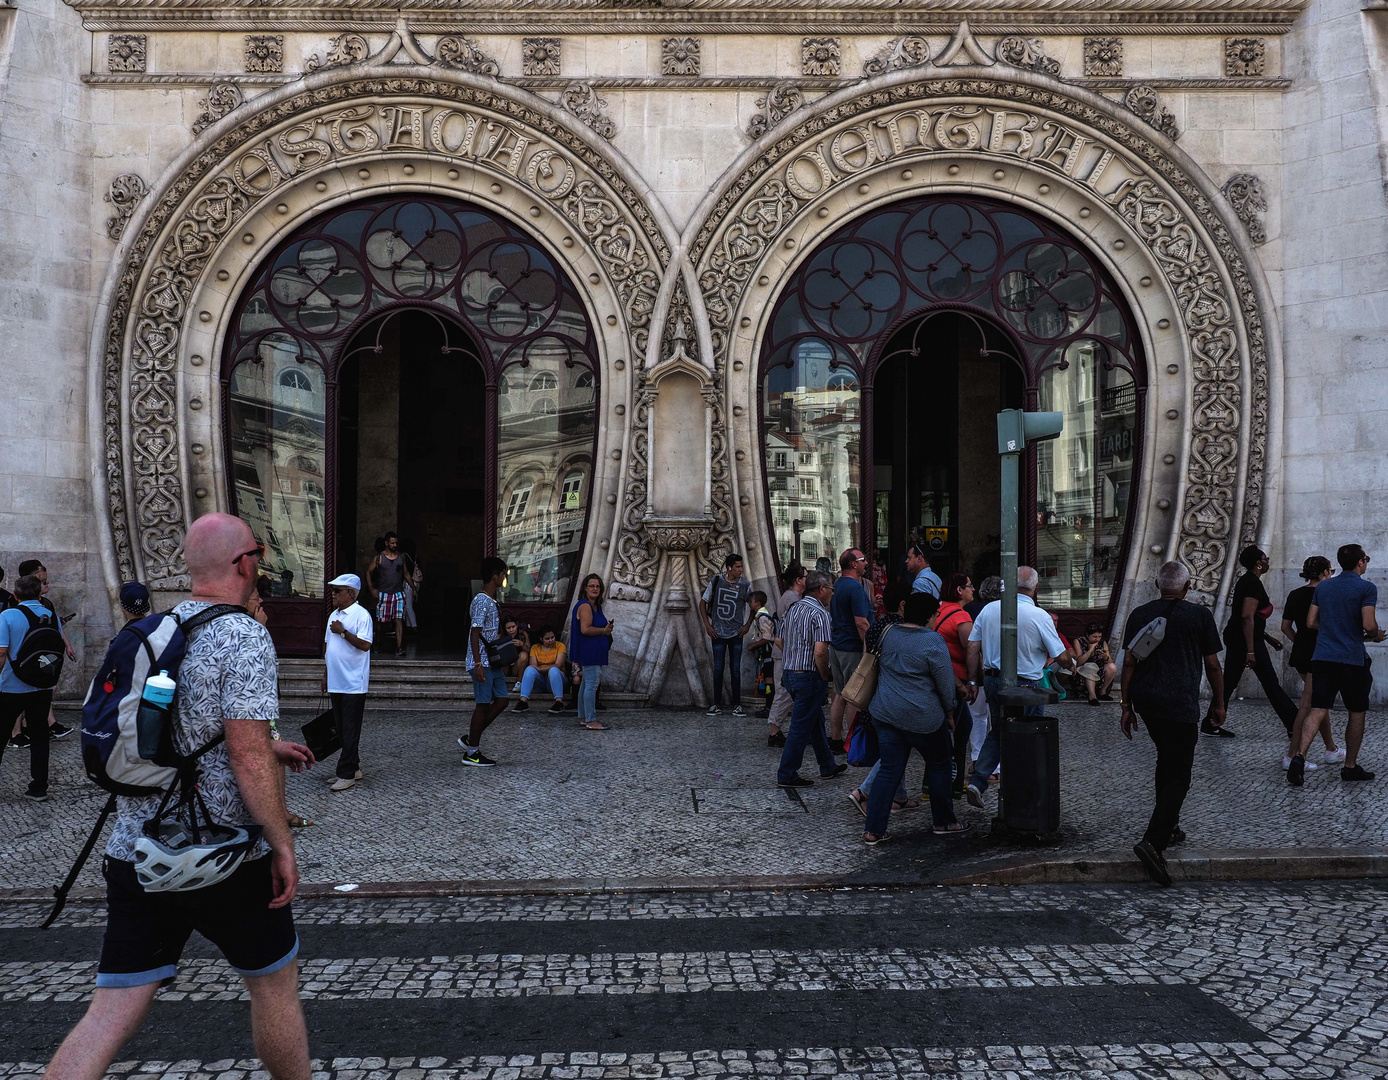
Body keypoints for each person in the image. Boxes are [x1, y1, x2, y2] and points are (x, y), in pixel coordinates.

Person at [44, 513, 312, 1080]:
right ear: (245, 563)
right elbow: (242, 752)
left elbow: (188, 735)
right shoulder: (243, 634)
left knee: (108, 1013)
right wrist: (280, 840)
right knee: (274, 988)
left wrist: (271, 748)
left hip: (137, 851)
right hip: (222, 856)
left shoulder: (160, 630)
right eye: (258, 552)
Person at [1120, 561, 1226, 887]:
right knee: (1179, 775)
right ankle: (1153, 841)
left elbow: (1128, 662)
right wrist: (1219, 703)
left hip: (1147, 703)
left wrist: (1126, 707)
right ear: (1187, 586)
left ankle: (1172, 825)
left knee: (1167, 760)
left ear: (1156, 583)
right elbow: (1213, 665)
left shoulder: (1139, 614)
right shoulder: (1199, 616)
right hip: (1180, 705)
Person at [862, 592, 967, 844]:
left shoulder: (889, 633)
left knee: (889, 769)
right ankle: (944, 821)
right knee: (940, 764)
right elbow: (944, 685)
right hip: (923, 717)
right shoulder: (932, 641)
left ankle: (873, 830)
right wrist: (950, 712)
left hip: (886, 712)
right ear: (930, 616)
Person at [964, 566, 1070, 810]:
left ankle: (978, 781)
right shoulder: (1039, 615)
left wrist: (972, 682)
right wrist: (1071, 665)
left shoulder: (989, 609)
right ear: (1035, 588)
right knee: (1030, 734)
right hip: (1027, 685)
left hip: (992, 680)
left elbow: (972, 647)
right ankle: (1026, 788)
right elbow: (1060, 655)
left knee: (999, 730)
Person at [1288, 543, 1386, 784]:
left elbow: (1311, 622)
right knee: (1356, 711)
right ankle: (1350, 766)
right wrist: (1376, 635)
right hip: (1351, 658)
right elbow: (1369, 624)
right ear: (1361, 562)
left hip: (1323, 656)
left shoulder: (1325, 587)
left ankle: (1299, 756)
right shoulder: (1366, 588)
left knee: (1318, 708)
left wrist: (1333, 628)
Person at [1206, 545, 1297, 739]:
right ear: (1258, 563)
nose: (1267, 561)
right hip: (1246, 642)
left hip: (1243, 638)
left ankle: (1210, 722)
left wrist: (1268, 639)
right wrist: (1250, 650)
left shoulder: (1248, 581)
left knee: (1229, 682)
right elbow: (1247, 617)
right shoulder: (1252, 584)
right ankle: (1294, 723)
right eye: (1265, 558)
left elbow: (1249, 618)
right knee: (1270, 683)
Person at [775, 570, 848, 788]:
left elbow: (778, 639)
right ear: (823, 589)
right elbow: (820, 651)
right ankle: (787, 773)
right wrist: (824, 676)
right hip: (809, 675)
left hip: (789, 672)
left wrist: (793, 655)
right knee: (799, 727)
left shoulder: (793, 609)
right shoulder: (821, 614)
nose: (833, 594)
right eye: (832, 590)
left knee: (814, 720)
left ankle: (827, 765)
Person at [1280, 555, 1343, 771]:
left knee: (1318, 701)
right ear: (1325, 572)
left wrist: (1301, 642)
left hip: (1302, 654)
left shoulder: (1295, 594)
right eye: (1331, 571)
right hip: (1320, 654)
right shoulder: (1325, 593)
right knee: (1308, 706)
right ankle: (1292, 756)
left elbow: (1285, 627)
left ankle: (1331, 749)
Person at [0, 575, 59, 801]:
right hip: (41, 687)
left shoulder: (8, 615)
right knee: (39, 736)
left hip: (10, 687)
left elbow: (2, 653)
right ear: (38, 594)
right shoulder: (51, 615)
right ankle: (39, 788)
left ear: (15, 595)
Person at [321, 573, 372, 792]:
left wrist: (343, 632)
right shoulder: (333, 615)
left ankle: (346, 773)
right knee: (341, 728)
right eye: (333, 590)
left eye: (337, 591)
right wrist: (325, 674)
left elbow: (365, 645)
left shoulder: (362, 615)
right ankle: (354, 767)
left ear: (350, 593)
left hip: (353, 681)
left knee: (350, 728)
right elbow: (327, 646)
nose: (333, 594)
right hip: (336, 679)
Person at [460, 556, 514, 766]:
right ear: (495, 576)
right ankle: (472, 752)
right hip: (483, 661)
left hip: (493, 661)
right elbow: (475, 633)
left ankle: (471, 738)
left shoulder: (490, 601)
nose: (503, 579)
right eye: (502, 575)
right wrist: (477, 663)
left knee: (502, 700)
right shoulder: (482, 601)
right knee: (482, 705)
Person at [934, 574, 978, 798]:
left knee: (963, 726)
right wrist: (972, 681)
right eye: (970, 586)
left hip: (940, 677)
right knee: (956, 732)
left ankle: (954, 781)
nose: (973, 589)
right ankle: (952, 783)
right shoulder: (961, 616)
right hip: (955, 680)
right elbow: (971, 650)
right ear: (960, 590)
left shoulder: (939, 610)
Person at [827, 549, 873, 750]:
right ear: (854, 564)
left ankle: (836, 739)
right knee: (854, 696)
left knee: (839, 693)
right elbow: (861, 623)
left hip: (837, 646)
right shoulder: (855, 588)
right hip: (853, 648)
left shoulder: (837, 585)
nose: (866, 563)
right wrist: (871, 647)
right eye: (863, 560)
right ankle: (852, 743)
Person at [700, 552, 753, 716]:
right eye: (737, 567)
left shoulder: (745, 585)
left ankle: (737, 705)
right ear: (729, 568)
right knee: (718, 668)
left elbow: (754, 605)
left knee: (735, 669)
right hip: (718, 633)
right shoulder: (716, 581)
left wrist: (748, 624)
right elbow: (703, 603)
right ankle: (716, 704)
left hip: (736, 633)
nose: (740, 570)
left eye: (741, 566)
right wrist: (708, 625)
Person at [766, 562, 806, 748]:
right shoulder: (791, 598)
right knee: (783, 693)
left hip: (787, 651)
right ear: (798, 580)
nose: (808, 579)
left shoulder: (793, 596)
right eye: (805, 577)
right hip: (785, 652)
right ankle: (774, 732)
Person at [963, 576, 1001, 768]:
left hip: (978, 671)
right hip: (1002, 671)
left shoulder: (969, 611)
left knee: (977, 717)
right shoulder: (1009, 610)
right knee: (998, 720)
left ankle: (977, 758)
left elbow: (971, 647)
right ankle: (996, 765)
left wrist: (971, 680)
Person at [571, 573, 612, 731]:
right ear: (585, 588)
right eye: (591, 586)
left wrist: (606, 629)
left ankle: (583, 716)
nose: (595, 589)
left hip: (593, 650)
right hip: (590, 651)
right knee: (592, 685)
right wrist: (603, 630)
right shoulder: (585, 606)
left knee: (586, 685)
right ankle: (591, 720)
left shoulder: (596, 606)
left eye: (597, 586)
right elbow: (585, 629)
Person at [367, 532, 411, 657]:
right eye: (392, 543)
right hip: (383, 593)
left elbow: (406, 573)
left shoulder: (401, 557)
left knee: (399, 620)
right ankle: (378, 643)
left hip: (398, 593)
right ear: (386, 543)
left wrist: (413, 588)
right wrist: (371, 588)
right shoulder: (379, 557)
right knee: (381, 621)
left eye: (396, 543)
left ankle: (399, 647)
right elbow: (368, 572)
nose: (394, 545)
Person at [515, 627, 568, 714]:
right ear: (541, 639)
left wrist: (540, 668)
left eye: (552, 637)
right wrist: (539, 669)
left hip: (558, 680)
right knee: (529, 669)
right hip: (542, 681)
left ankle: (559, 702)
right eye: (547, 638)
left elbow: (558, 664)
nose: (551, 640)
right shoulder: (535, 648)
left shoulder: (560, 646)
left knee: (554, 670)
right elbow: (533, 665)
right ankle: (523, 701)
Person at [747, 591, 776, 719]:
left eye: (751, 601)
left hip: (769, 653)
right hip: (766, 654)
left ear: (757, 603)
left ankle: (770, 708)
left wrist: (753, 646)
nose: (749, 604)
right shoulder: (760, 616)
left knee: (769, 680)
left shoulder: (762, 618)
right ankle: (769, 707)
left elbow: (767, 637)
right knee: (767, 679)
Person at [1073, 622, 1117, 706]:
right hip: (1083, 671)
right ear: (1087, 635)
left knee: (1112, 667)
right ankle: (1092, 696)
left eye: (1099, 637)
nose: (1097, 639)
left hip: (1099, 671)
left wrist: (1105, 657)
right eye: (1094, 637)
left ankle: (1102, 691)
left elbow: (1109, 661)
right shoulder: (1078, 641)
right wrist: (1090, 651)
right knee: (1090, 667)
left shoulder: (1102, 643)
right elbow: (1079, 662)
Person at [502, 618, 531, 686]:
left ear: (517, 625)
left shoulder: (522, 634)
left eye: (513, 627)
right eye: (508, 628)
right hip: (505, 667)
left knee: (524, 655)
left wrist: (522, 644)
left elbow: (529, 650)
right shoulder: (502, 636)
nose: (511, 630)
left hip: (517, 667)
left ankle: (519, 683)